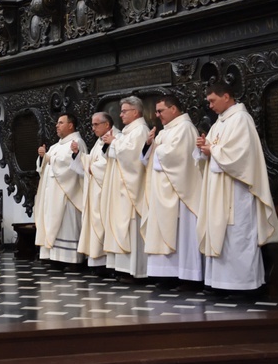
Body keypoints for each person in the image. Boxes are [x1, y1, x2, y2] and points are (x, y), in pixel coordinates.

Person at [195, 82, 278, 293]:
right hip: (219, 191)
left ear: (226, 96)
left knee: (239, 235)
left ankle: (245, 285)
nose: (210, 105)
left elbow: (241, 156)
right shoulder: (219, 123)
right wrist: (204, 148)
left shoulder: (241, 119)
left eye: (212, 100)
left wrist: (212, 149)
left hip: (237, 192)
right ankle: (221, 283)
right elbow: (216, 152)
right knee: (222, 235)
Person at [141, 95, 204, 287]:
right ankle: (165, 274)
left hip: (179, 193)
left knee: (181, 234)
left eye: (160, 111)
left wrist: (157, 148)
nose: (156, 115)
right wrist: (149, 145)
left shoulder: (185, 128)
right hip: (162, 190)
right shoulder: (165, 131)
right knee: (162, 230)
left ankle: (186, 275)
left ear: (174, 109)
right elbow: (148, 160)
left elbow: (177, 156)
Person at [101, 96, 149, 281]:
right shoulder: (129, 132)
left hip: (131, 188)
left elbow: (133, 157)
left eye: (124, 111)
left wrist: (114, 142)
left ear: (135, 112)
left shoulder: (140, 130)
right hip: (121, 188)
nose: (120, 115)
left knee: (131, 229)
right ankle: (121, 268)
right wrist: (112, 143)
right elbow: (117, 154)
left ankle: (135, 270)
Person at [34, 113, 88, 266]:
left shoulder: (77, 142)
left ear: (70, 125)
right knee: (52, 222)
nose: (57, 126)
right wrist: (42, 157)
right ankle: (53, 256)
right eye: (57, 123)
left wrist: (50, 159)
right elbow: (42, 168)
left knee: (67, 225)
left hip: (67, 194)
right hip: (52, 193)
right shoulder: (55, 146)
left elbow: (74, 166)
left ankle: (70, 259)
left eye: (60, 123)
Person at [72, 112, 120, 271]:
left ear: (107, 125)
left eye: (96, 124)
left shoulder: (116, 138)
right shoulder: (99, 142)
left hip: (105, 190)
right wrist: (78, 155)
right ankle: (97, 261)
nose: (92, 128)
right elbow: (91, 160)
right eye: (92, 124)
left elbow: (109, 163)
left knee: (103, 223)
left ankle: (106, 262)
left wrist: (91, 168)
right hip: (94, 189)